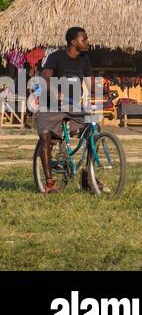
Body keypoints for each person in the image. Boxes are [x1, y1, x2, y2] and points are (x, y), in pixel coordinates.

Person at [36, 26, 93, 193]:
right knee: (45, 137)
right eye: (84, 39)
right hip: (51, 106)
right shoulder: (56, 57)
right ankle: (49, 182)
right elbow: (44, 76)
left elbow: (91, 83)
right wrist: (54, 91)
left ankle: (88, 176)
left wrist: (103, 91)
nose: (87, 42)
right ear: (73, 41)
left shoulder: (85, 60)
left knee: (93, 129)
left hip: (73, 106)